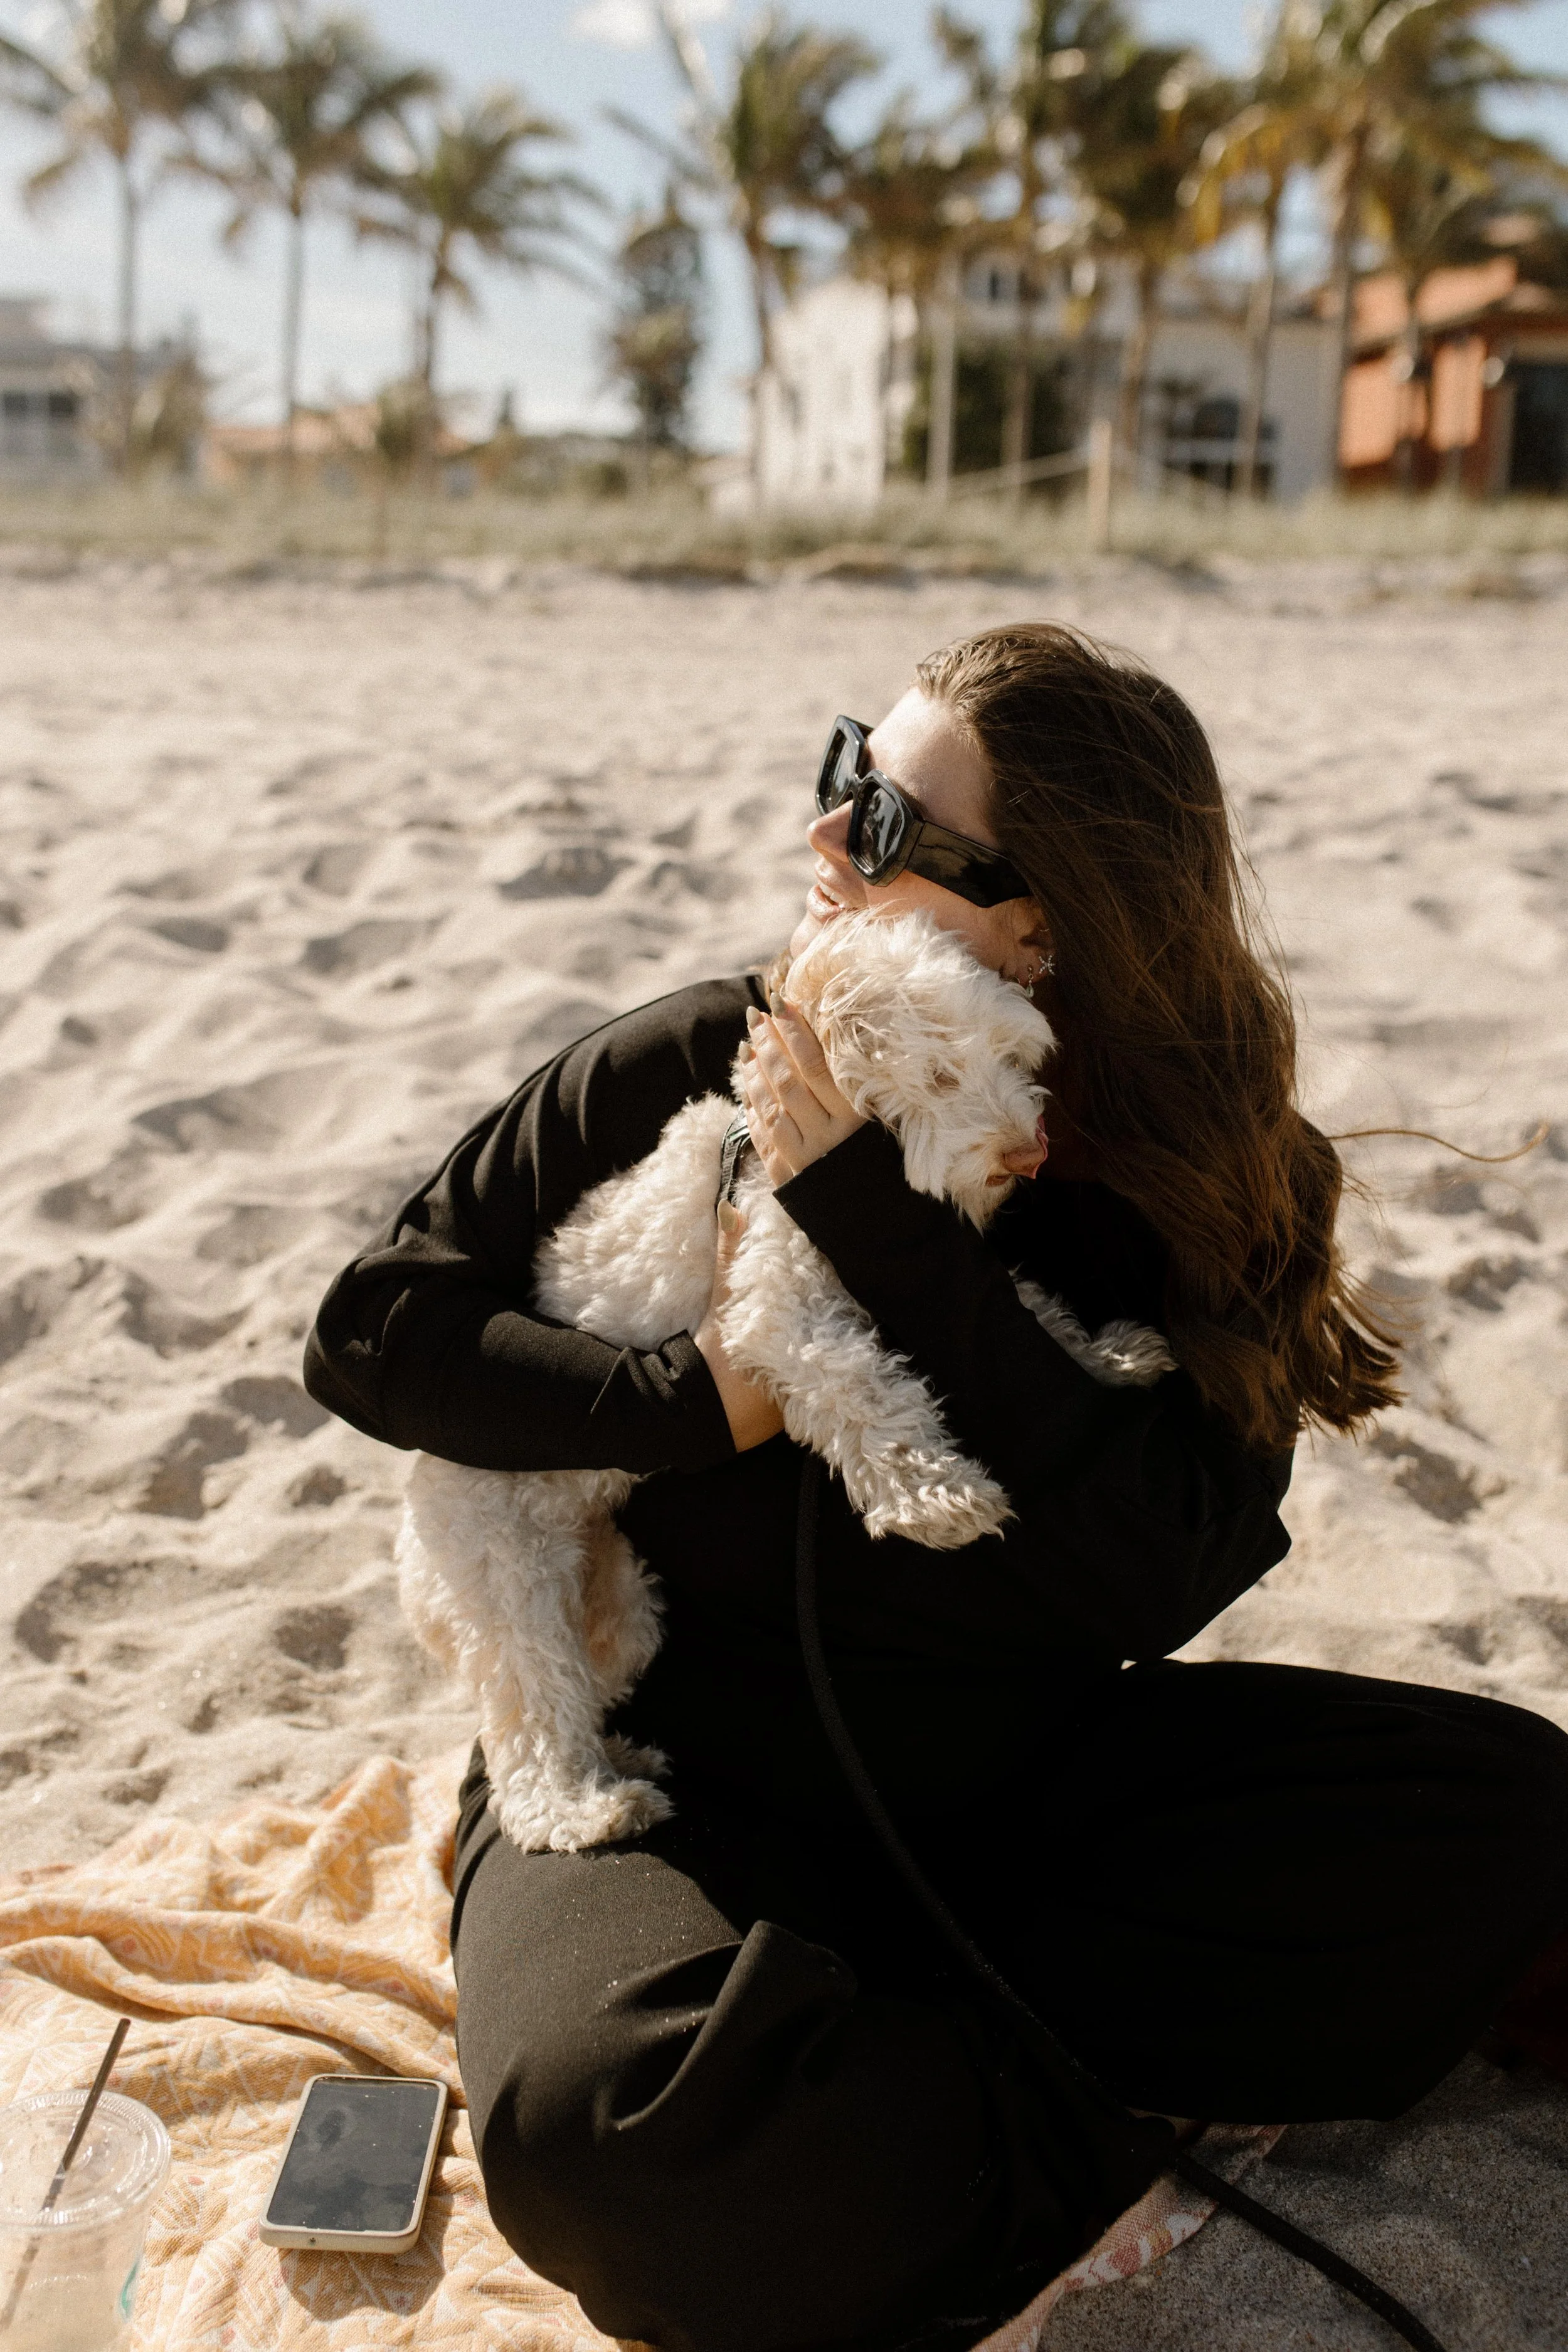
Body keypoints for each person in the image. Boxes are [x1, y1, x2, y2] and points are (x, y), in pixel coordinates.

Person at [304, 622, 1568, 2352]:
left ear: (1045, 927)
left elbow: (1154, 1576)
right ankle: (1041, 2110)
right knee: (604, 2138)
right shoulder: (700, 1060)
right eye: (844, 778)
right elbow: (377, 1332)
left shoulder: (1195, 1194)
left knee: (1511, 1817)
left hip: (1013, 1801)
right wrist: (697, 1399)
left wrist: (877, 1227)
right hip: (671, 1777)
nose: (823, 841)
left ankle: (931, 2085)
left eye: (887, 827)